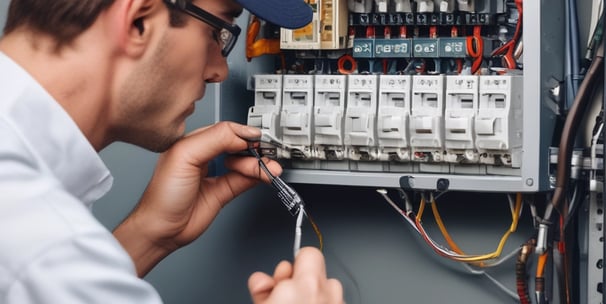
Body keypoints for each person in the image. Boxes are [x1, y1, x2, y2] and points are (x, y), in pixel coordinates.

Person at [0, 0, 343, 303]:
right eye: (218, 33)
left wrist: (149, 235)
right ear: (139, 22)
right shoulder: (41, 240)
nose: (219, 73)